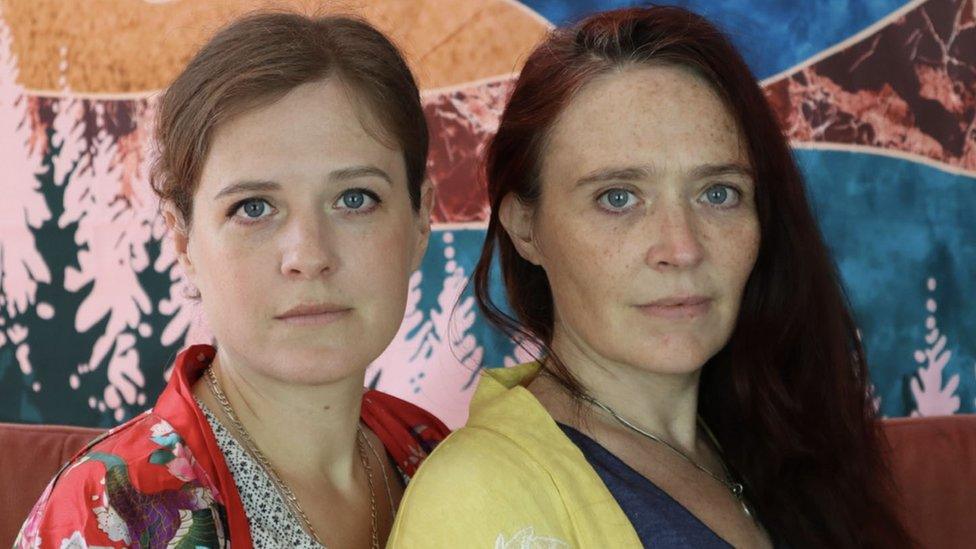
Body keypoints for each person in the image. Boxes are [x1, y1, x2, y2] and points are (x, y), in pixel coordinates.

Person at [390, 6, 909, 548]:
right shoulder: (478, 500)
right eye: (618, 198)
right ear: (526, 228)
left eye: (718, 193)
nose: (682, 249)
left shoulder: (778, 445)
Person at [16, 12, 448, 549]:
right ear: (183, 240)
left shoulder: (439, 458)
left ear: (421, 219)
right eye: (254, 207)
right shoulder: (111, 513)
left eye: (354, 199)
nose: (309, 256)